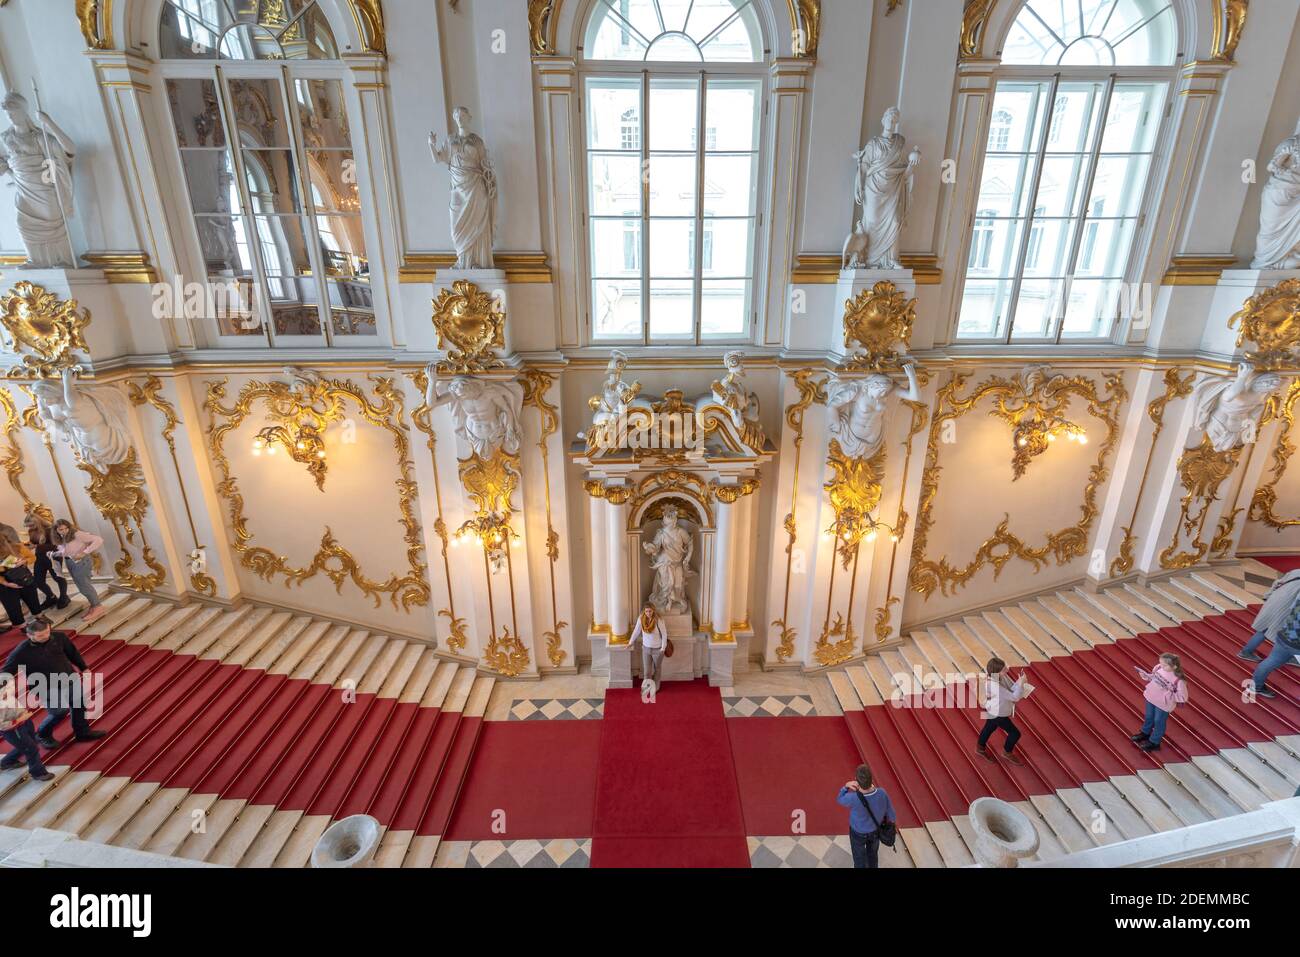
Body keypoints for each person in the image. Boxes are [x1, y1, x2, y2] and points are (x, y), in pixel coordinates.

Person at [0, 616, 105, 751]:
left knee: (79, 705)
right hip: (44, 685)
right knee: (59, 711)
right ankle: (43, 734)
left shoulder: (59, 637)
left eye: (47, 632)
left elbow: (72, 653)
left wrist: (83, 667)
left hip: (69, 677)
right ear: (29, 635)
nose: (46, 636)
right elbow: (7, 670)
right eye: (40, 635)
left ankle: (82, 732)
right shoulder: (21, 650)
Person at [1239, 568, 1300, 699]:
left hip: (1286, 632)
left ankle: (1256, 685)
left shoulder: (1296, 572)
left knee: (1271, 659)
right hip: (1295, 638)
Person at [836, 763, 896, 869]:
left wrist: (846, 786)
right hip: (874, 832)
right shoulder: (882, 793)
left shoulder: (853, 798)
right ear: (871, 779)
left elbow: (840, 799)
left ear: (856, 781)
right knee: (872, 857)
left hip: (857, 833)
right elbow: (891, 814)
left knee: (859, 858)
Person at [0, 667, 53, 781]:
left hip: (24, 721)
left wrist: (23, 714)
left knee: (29, 743)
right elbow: (2, 725)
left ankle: (7, 761)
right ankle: (38, 773)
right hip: (14, 729)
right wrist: (20, 719)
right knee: (30, 748)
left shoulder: (7, 695)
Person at [49, 519, 106, 625]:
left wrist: (85, 552)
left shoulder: (78, 534)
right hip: (71, 562)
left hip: (81, 562)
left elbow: (98, 540)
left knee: (85, 586)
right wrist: (56, 554)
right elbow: (69, 549)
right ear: (56, 530)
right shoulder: (61, 538)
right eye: (61, 529)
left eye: (66, 528)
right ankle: (94, 606)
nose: (64, 531)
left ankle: (98, 607)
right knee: (81, 586)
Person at [1132, 653, 1189, 752]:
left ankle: (1154, 742)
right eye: (1160, 663)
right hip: (1151, 697)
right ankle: (1145, 733)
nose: (1161, 666)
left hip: (1163, 704)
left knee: (1159, 721)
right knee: (1149, 716)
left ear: (1174, 666)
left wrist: (1169, 695)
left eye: (1165, 665)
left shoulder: (1179, 680)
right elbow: (1154, 678)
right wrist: (1145, 676)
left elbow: (1183, 697)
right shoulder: (1159, 668)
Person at [975, 657, 1026, 766]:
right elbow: (1014, 697)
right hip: (997, 713)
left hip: (993, 709)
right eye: (1004, 669)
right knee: (1015, 733)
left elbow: (1011, 688)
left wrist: (1019, 682)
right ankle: (1006, 752)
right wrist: (1021, 684)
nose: (1007, 669)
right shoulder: (994, 685)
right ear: (997, 671)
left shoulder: (999, 676)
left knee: (989, 728)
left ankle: (980, 748)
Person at [23, 515, 69, 611]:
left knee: (57, 577)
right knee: (38, 581)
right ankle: (51, 597)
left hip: (53, 556)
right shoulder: (31, 531)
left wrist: (36, 546)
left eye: (31, 525)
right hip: (40, 557)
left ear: (37, 522)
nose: (30, 528)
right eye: (28, 526)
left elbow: (55, 546)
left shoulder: (50, 530)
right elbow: (33, 542)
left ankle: (64, 597)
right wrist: (28, 545)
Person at [0, 535, 43, 629]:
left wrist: (24, 561)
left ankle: (39, 616)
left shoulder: (18, 547)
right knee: (13, 607)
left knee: (33, 599)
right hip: (5, 584)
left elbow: (32, 557)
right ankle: (20, 626)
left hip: (24, 578)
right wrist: (7, 583)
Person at [628, 603, 668, 692]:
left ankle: (656, 685)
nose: (648, 613)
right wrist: (631, 642)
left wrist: (663, 648)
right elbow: (636, 631)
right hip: (646, 649)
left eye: (650, 611)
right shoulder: (641, 619)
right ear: (644, 611)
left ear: (653, 610)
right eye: (646, 611)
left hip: (658, 649)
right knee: (647, 671)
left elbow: (664, 634)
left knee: (657, 668)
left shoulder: (659, 620)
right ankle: (647, 686)